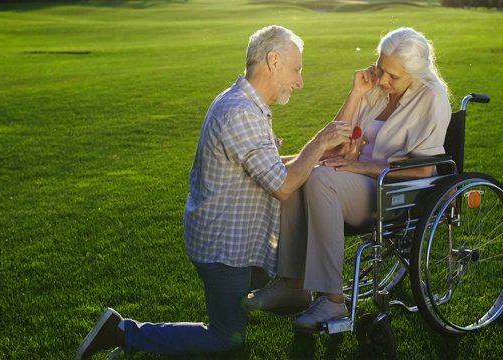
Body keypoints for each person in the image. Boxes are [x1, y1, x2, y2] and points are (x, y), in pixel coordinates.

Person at [75, 25, 353, 359]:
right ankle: (121, 331)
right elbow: (282, 185)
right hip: (224, 250)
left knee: (276, 267)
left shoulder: (244, 104)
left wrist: (318, 156)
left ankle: (293, 296)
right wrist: (320, 141)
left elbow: (267, 163)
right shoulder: (238, 112)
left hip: (236, 243)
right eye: (296, 70)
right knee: (227, 337)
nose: (300, 81)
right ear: (274, 61)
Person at [243, 27, 452, 332]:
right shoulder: (377, 89)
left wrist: (363, 167)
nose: (383, 81)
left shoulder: (431, 97)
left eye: (393, 76)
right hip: (361, 181)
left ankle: (333, 301)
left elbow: (423, 171)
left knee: (319, 179)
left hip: (396, 190)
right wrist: (356, 93)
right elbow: (338, 139)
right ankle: (293, 284)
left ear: (416, 73)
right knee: (302, 174)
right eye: (381, 69)